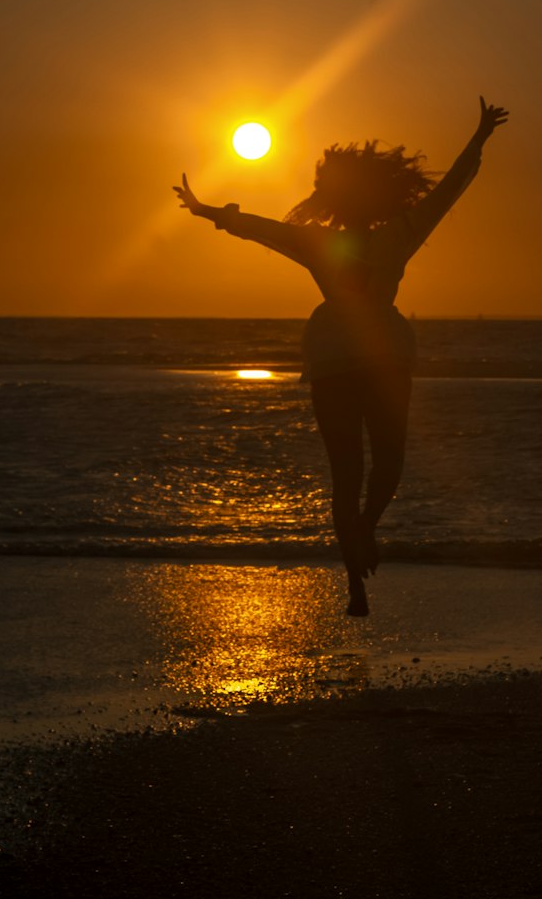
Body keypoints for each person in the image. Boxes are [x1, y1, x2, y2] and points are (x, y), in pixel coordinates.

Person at [174, 96, 508, 616]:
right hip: (382, 355)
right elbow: (447, 193)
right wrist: (478, 139)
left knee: (348, 472)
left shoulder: (319, 241)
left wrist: (205, 210)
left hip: (336, 355)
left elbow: (256, 226)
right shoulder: (397, 233)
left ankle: (356, 581)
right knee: (385, 460)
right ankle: (365, 533)